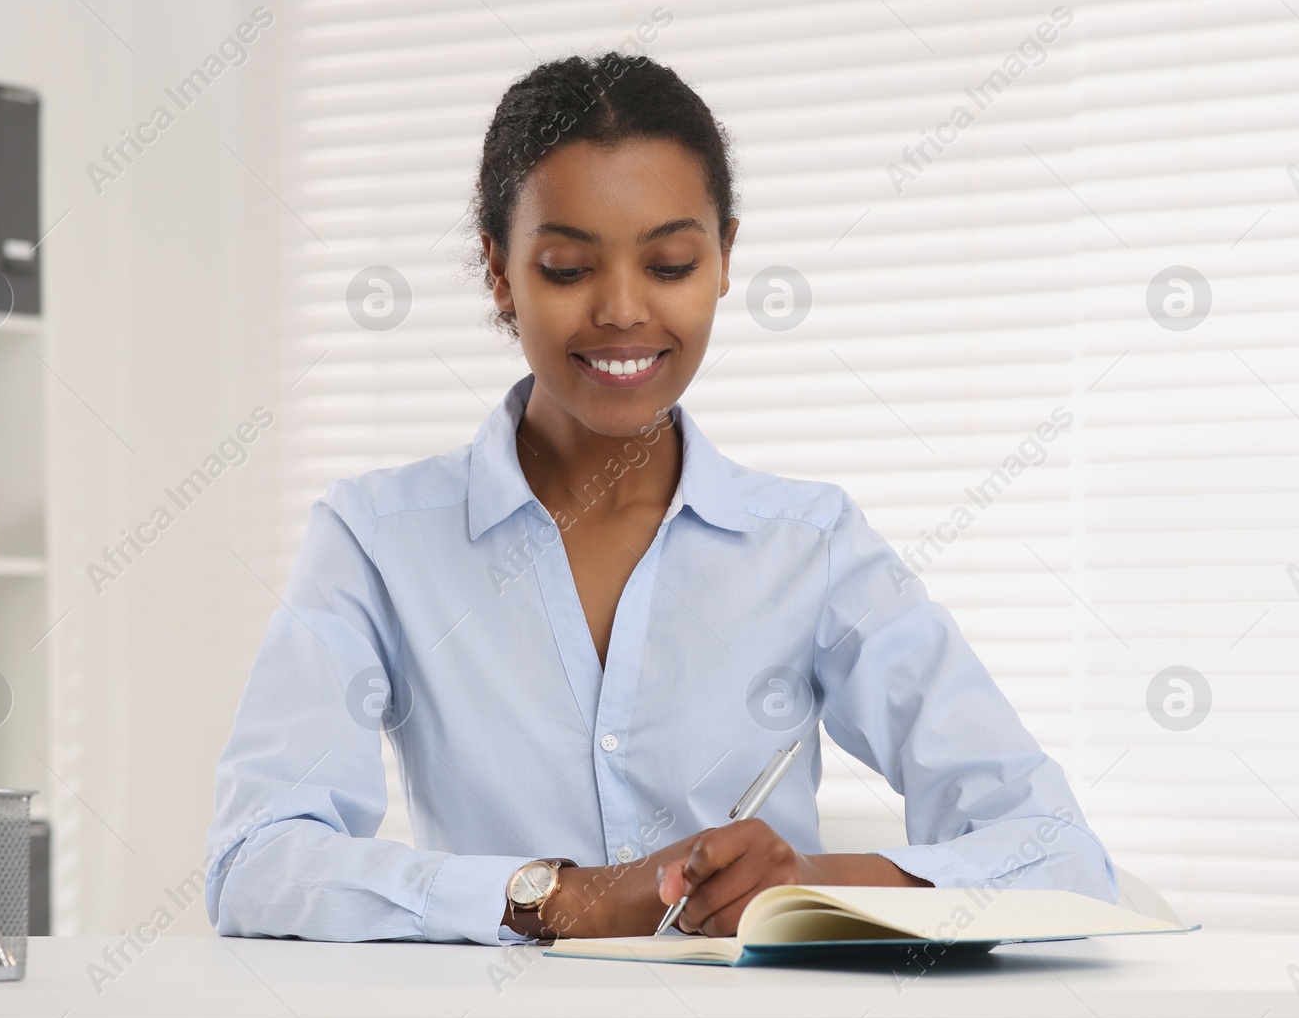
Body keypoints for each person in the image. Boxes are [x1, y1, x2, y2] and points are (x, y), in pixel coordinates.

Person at [205, 52, 1117, 946]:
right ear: (499, 272)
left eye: (671, 263)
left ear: (724, 260)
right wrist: (572, 900)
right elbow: (258, 861)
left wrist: (804, 885)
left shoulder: (812, 545)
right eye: (567, 269)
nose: (623, 311)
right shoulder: (376, 540)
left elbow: (1058, 856)